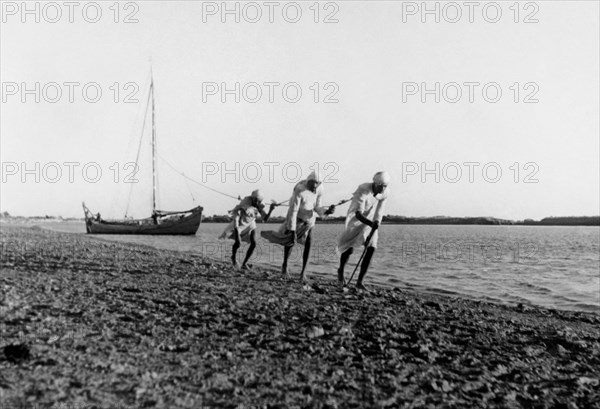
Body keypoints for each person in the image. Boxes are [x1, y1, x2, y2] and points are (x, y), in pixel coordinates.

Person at [261, 170, 335, 282]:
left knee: (309, 242)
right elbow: (293, 211)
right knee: (290, 242)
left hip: (310, 219)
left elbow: (318, 207)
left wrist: (327, 211)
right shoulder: (299, 190)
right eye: (312, 183)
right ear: (308, 181)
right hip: (296, 217)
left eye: (317, 183)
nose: (315, 186)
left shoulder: (320, 189)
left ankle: (303, 273)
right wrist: (292, 230)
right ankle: (285, 266)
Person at [337, 171, 390, 291]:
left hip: (370, 219)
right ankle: (341, 271)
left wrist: (376, 222)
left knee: (371, 247)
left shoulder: (385, 192)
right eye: (380, 185)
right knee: (349, 248)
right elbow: (358, 213)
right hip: (357, 218)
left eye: (385, 186)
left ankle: (360, 281)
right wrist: (370, 224)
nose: (382, 188)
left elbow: (380, 210)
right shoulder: (363, 189)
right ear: (374, 183)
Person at [220, 190, 276, 270]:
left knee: (254, 243)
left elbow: (265, 218)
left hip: (251, 222)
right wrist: (236, 231)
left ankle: (244, 263)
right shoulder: (244, 203)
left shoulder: (259, 204)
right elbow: (236, 217)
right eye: (256, 200)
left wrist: (271, 210)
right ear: (252, 199)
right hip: (240, 222)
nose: (257, 202)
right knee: (238, 243)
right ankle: (233, 258)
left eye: (259, 201)